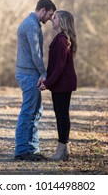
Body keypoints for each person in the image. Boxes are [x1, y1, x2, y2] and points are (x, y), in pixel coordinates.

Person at [14, 0, 57, 161]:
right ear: (43, 10)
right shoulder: (31, 25)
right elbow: (36, 53)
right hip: (28, 74)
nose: (50, 18)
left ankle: (32, 148)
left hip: (28, 73)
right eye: (50, 14)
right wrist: (44, 74)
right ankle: (22, 151)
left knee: (36, 111)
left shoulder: (32, 23)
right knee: (28, 112)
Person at [39, 10, 77, 161]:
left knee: (62, 115)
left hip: (63, 84)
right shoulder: (60, 39)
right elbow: (54, 65)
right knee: (60, 114)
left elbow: (60, 67)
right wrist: (46, 79)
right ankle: (63, 150)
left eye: (55, 18)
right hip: (61, 83)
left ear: (61, 22)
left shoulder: (62, 40)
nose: (52, 20)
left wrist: (47, 83)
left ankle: (62, 151)